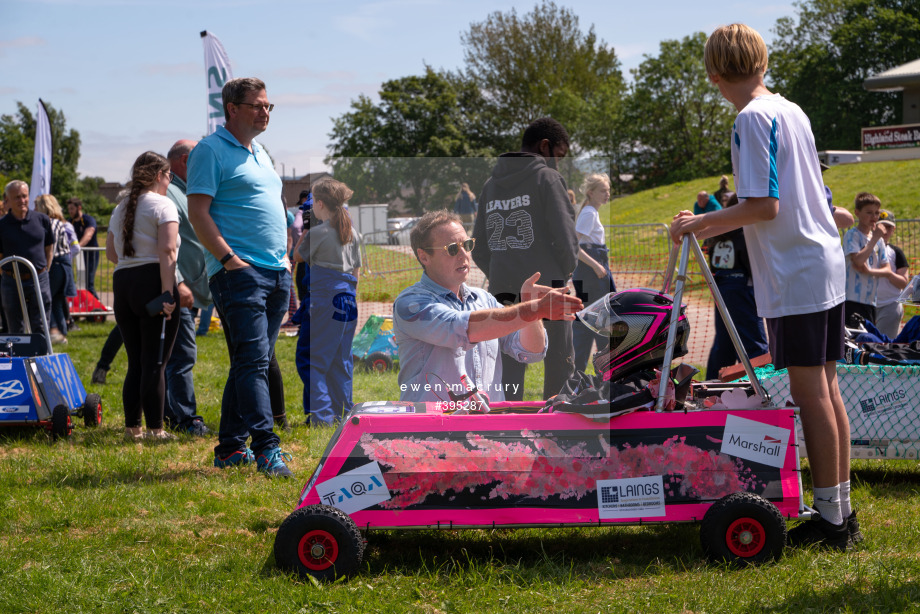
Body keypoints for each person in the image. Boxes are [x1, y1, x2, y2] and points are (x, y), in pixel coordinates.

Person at [671, 23, 856, 549]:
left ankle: (830, 522)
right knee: (827, 389)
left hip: (797, 270)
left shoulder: (751, 118)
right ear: (763, 61)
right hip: (820, 263)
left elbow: (763, 206)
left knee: (811, 393)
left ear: (713, 74)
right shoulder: (790, 108)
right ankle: (840, 512)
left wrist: (698, 225)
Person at [187, 77, 293, 477]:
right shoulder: (210, 151)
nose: (265, 112)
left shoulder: (261, 152)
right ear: (232, 109)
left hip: (275, 272)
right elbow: (199, 213)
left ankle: (231, 448)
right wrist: (230, 260)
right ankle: (266, 447)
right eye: (257, 106)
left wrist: (283, 259)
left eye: (269, 106)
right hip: (239, 273)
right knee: (253, 364)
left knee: (254, 361)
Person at [395, 210, 582, 402]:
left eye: (467, 245)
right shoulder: (410, 304)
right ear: (424, 257)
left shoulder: (484, 299)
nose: (463, 255)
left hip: (487, 425)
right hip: (433, 428)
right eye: (452, 249)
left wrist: (531, 311)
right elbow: (466, 328)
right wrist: (532, 309)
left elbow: (532, 352)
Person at [472, 117, 579, 401]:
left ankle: (506, 430)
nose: (558, 163)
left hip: (503, 289)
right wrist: (563, 275)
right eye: (558, 156)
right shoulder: (548, 178)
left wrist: (502, 273)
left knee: (508, 363)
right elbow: (567, 240)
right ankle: (555, 429)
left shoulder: (489, 186)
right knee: (559, 361)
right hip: (548, 288)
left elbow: (479, 247)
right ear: (545, 147)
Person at [106, 151, 180, 441]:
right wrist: (166, 292)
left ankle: (132, 428)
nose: (170, 180)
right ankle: (155, 430)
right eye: (169, 174)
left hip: (123, 283)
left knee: (135, 360)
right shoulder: (164, 205)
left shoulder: (120, 207)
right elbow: (168, 251)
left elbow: (112, 253)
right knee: (156, 362)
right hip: (153, 281)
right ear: (160, 176)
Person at [294, 178, 361, 425]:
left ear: (320, 203)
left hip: (324, 300)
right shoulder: (353, 233)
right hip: (348, 300)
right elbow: (356, 272)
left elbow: (296, 256)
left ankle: (321, 416)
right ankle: (343, 411)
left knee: (310, 359)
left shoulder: (319, 232)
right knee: (340, 359)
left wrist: (307, 230)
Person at [162, 140, 211, 437]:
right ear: (184, 161)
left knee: (176, 354)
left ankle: (171, 413)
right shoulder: (168, 193)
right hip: (179, 289)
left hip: (189, 288)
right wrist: (179, 281)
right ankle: (183, 417)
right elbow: (166, 245)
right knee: (181, 355)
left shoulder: (182, 191)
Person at [704, 193, 768, 377]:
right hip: (741, 288)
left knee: (725, 341)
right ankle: (763, 382)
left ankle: (713, 382)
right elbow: (750, 264)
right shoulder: (743, 233)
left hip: (722, 287)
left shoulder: (717, 234)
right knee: (753, 340)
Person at [571, 173, 616, 373]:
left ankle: (590, 372)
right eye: (602, 190)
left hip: (593, 275)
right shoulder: (589, 213)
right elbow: (574, 245)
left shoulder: (591, 213)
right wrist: (596, 266)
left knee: (594, 321)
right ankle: (598, 373)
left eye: (608, 190)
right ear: (591, 193)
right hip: (591, 277)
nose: (607, 194)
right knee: (598, 322)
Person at [0, 180, 53, 340]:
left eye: (24, 196)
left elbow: (49, 247)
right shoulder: (2, 225)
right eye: (16, 197)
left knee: (41, 324)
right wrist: (5, 274)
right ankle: (18, 362)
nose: (22, 201)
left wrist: (45, 270)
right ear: (7, 200)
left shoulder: (42, 220)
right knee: (15, 328)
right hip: (11, 280)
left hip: (39, 277)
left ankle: (42, 358)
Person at [843, 192, 896, 328]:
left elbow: (887, 270)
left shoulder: (878, 240)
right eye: (869, 213)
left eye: (876, 213)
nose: (874, 217)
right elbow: (858, 261)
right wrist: (873, 239)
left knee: (868, 341)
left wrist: (869, 272)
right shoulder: (852, 235)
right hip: (852, 300)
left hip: (871, 302)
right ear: (857, 213)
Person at [34, 194, 76, 345]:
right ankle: (62, 334)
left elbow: (48, 246)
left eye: (36, 206)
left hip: (55, 264)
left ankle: (53, 331)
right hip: (64, 265)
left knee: (46, 299)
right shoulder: (59, 222)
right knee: (57, 300)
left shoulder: (49, 222)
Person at [874, 209, 910, 338]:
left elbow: (903, 282)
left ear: (893, 230)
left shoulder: (896, 252)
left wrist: (888, 273)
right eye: (881, 226)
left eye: (888, 227)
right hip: (867, 305)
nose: (884, 231)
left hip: (889, 305)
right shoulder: (865, 249)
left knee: (884, 346)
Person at [67, 197, 100, 299]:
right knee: (77, 284)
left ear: (79, 208)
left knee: (88, 283)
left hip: (91, 255)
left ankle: (97, 309)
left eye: (72, 208)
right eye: (69, 209)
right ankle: (82, 307)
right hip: (77, 255)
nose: (70, 211)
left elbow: (88, 234)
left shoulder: (88, 220)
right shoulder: (69, 222)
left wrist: (77, 247)